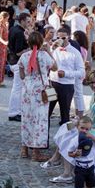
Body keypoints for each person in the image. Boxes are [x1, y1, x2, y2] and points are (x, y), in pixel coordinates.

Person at [17, 31, 57, 161]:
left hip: (27, 91)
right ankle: (36, 152)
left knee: (26, 118)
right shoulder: (45, 55)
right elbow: (55, 67)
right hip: (41, 90)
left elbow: (22, 75)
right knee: (39, 120)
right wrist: (49, 51)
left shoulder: (24, 56)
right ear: (41, 42)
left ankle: (24, 149)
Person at [48, 26, 84, 125]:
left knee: (65, 115)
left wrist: (66, 74)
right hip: (52, 84)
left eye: (63, 38)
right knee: (46, 110)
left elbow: (81, 72)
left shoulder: (75, 52)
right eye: (59, 38)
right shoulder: (53, 49)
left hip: (66, 86)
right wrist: (51, 49)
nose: (61, 40)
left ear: (68, 37)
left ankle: (65, 136)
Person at [7, 13, 31, 122]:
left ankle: (16, 111)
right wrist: (31, 49)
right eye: (27, 21)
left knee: (18, 88)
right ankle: (14, 112)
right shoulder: (19, 33)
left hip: (12, 61)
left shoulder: (13, 29)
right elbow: (18, 52)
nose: (29, 23)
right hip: (17, 63)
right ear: (21, 21)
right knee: (17, 89)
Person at [72, 30, 90, 118]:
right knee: (77, 94)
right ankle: (78, 113)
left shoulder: (80, 49)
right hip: (80, 72)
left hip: (78, 72)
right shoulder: (84, 48)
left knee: (78, 94)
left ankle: (80, 114)